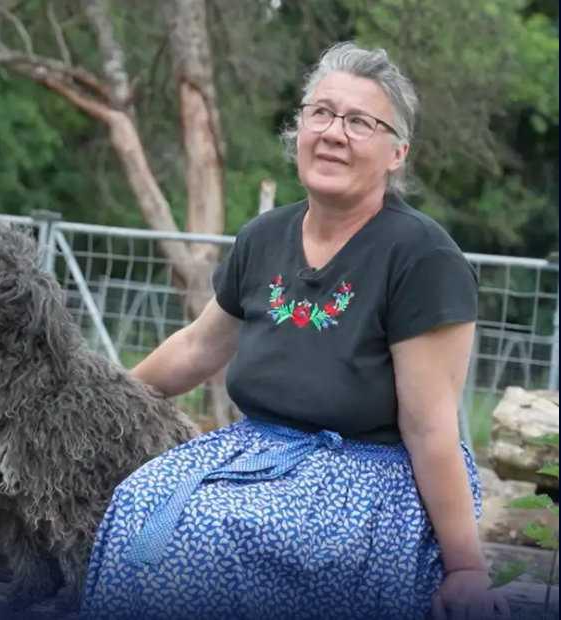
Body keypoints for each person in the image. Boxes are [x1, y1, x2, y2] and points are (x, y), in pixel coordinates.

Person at [80, 43, 509, 620]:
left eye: (361, 121)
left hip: (366, 479)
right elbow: (197, 347)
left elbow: (429, 426)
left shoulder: (423, 258)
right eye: (321, 113)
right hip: (256, 453)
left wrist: (465, 568)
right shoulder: (262, 237)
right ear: (299, 128)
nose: (334, 132)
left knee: (211, 534)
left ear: (396, 153)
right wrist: (96, 403)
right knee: (138, 501)